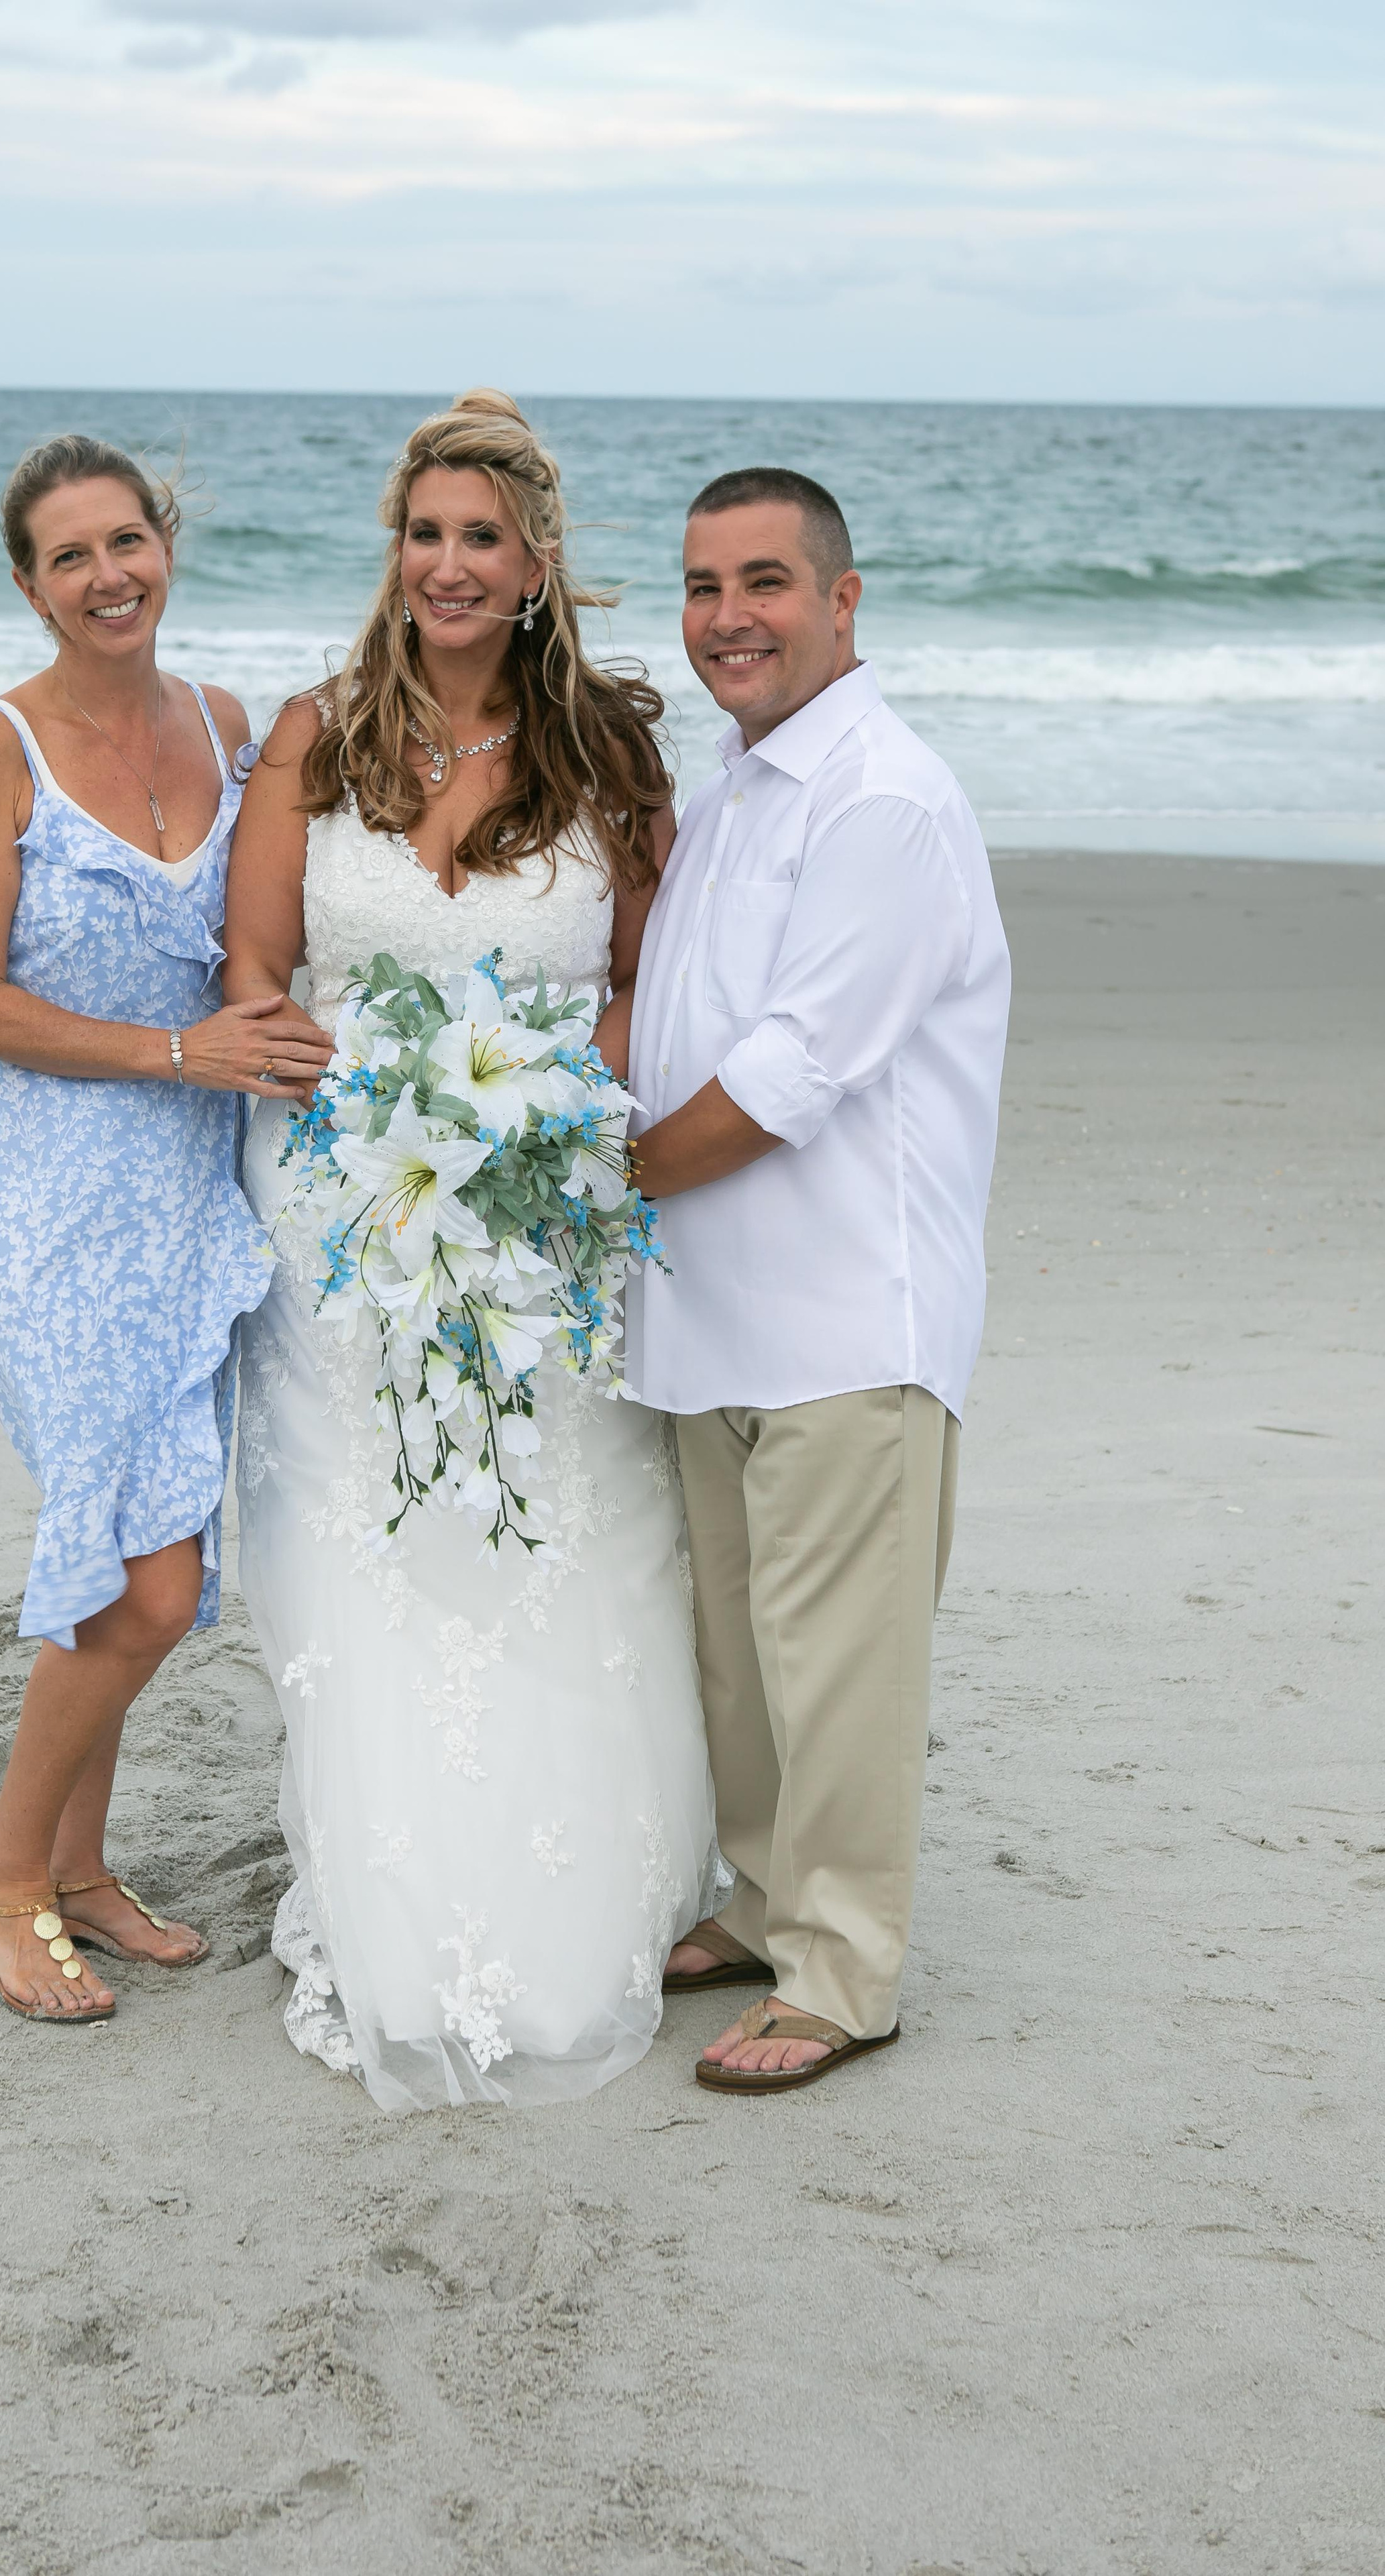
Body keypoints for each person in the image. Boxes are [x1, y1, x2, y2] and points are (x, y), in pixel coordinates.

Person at [223, 389, 718, 2109]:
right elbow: (257, 979)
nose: (445, 564)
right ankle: (380, 1887)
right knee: (372, 1533)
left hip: (545, 1208)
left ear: (532, 565)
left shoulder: (610, 750)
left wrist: (569, 1128)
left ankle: (591, 1885)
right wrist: (348, 1105)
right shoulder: (314, 735)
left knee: (557, 1522)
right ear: (397, 553)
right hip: (344, 1205)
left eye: (478, 539)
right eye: (422, 535)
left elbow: (645, 981)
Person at [0, 433, 330, 2023]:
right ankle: (8, 1878)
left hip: (191, 1195)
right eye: (69, 558)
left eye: (125, 541)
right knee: (141, 1580)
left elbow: (259, 942)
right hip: (43, 1195)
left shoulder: (226, 725)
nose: (107, 578)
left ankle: (83, 1870)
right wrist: (177, 1052)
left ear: (167, 541)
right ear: (29, 587)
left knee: (150, 1537)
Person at [629, 466, 1011, 2093]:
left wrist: (602, 1181)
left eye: (765, 583)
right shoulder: (728, 787)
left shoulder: (882, 797)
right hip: (712, 1305)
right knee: (735, 1648)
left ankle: (843, 1972)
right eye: (706, 585)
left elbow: (794, 1070)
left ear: (842, 600)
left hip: (849, 1312)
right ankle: (765, 1894)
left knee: (837, 1657)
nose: (730, 618)